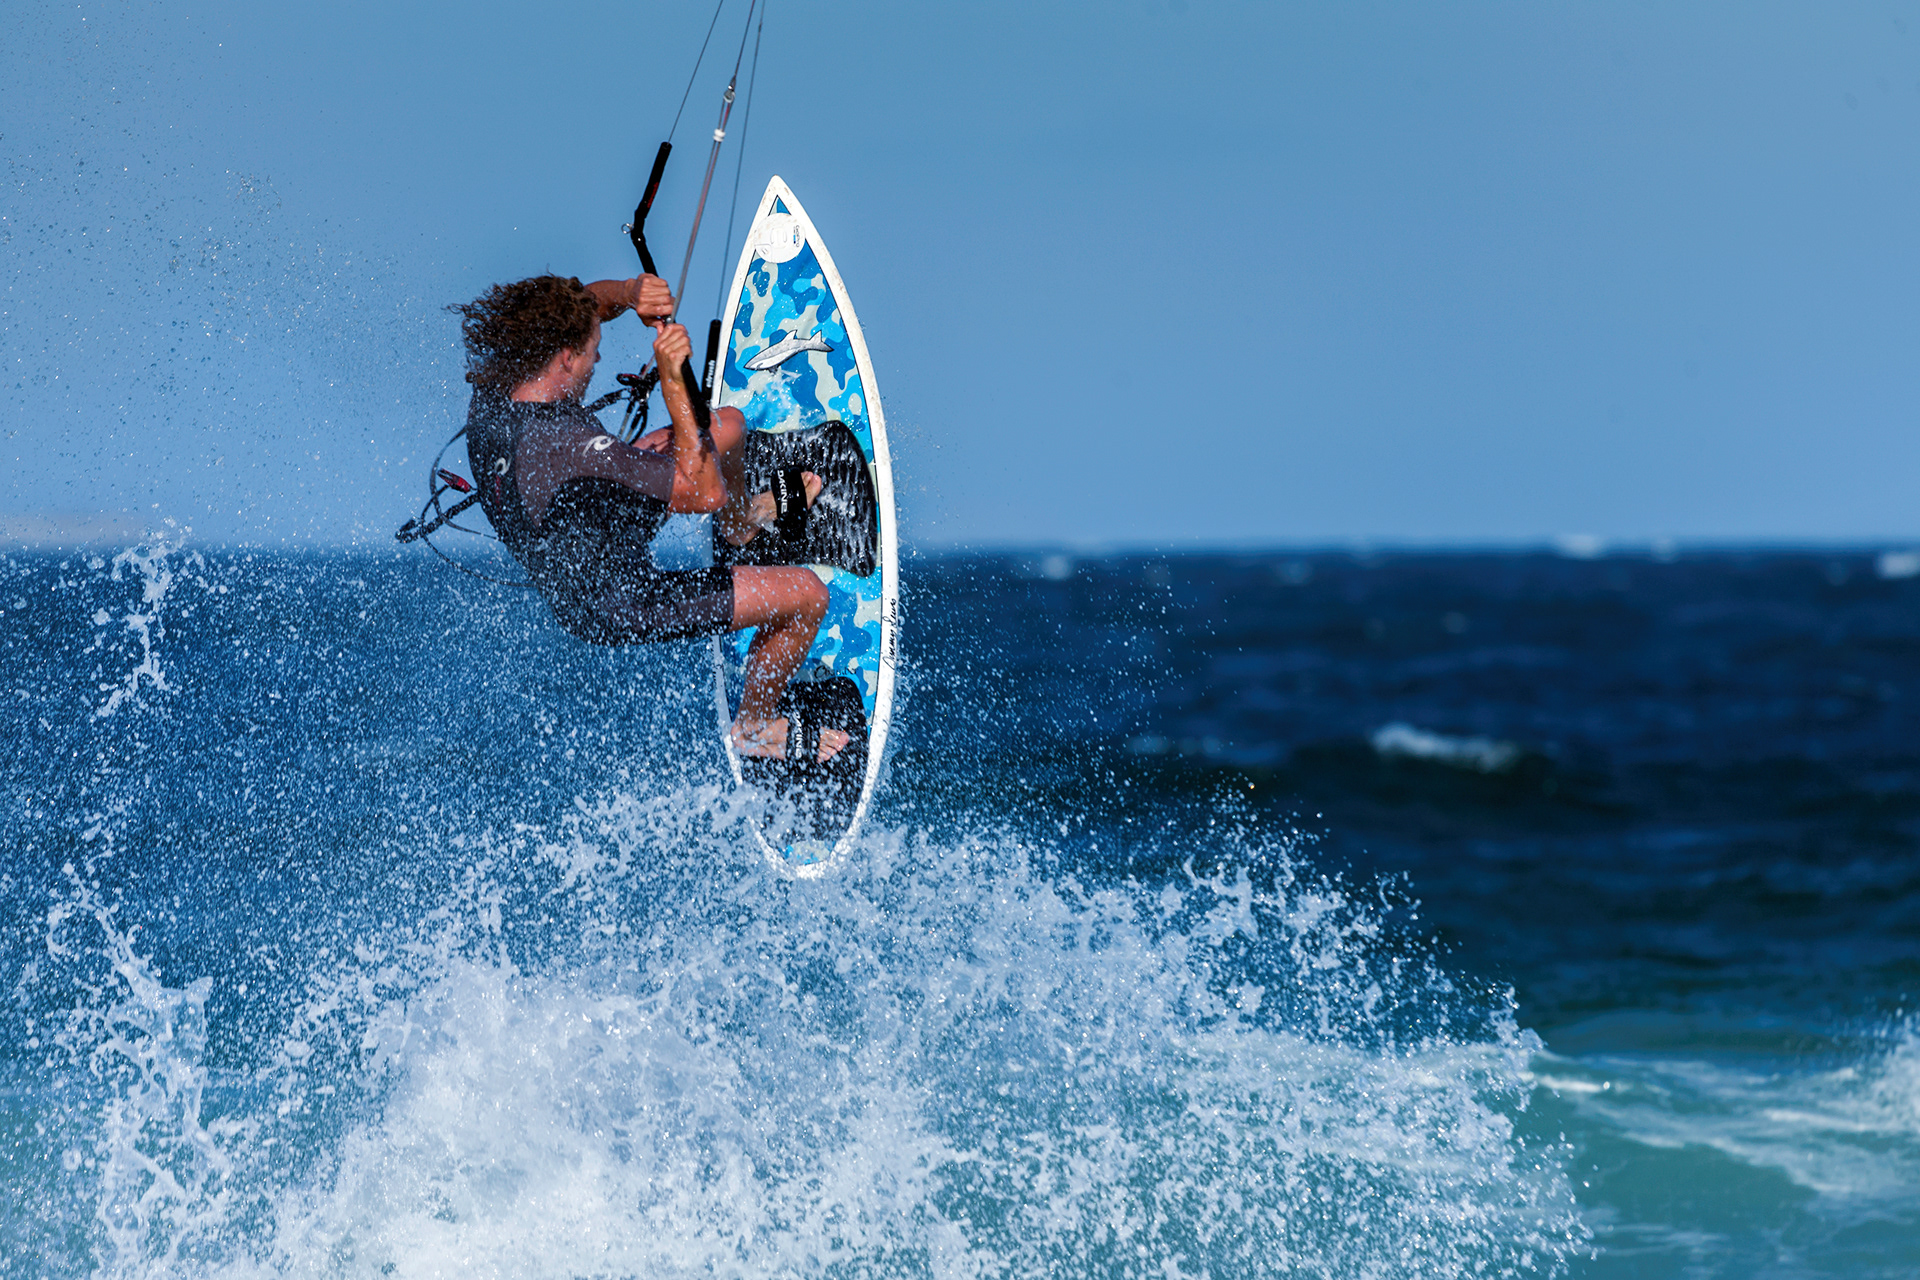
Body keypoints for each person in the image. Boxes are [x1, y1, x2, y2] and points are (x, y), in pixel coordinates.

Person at [454, 272, 848, 764]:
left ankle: (741, 522)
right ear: (566, 358)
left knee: (728, 426)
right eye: (593, 351)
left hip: (588, 521)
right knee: (807, 594)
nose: (598, 360)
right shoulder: (568, 447)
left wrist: (627, 293)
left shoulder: (497, 393)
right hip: (615, 599)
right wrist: (673, 381)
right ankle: (754, 727)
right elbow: (704, 492)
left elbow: (584, 306)